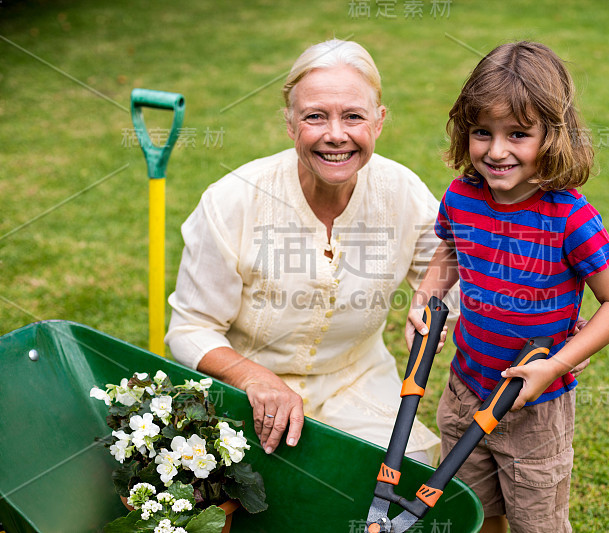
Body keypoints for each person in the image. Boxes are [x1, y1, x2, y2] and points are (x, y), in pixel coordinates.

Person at [166, 39, 455, 465]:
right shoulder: (231, 201)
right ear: (289, 124)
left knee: (403, 479)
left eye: (353, 116)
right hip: (246, 392)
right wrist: (254, 378)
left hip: (356, 382)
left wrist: (430, 302)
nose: (335, 134)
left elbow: (455, 261)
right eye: (315, 117)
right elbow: (190, 330)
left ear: (378, 122)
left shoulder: (402, 191)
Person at [406, 41, 609, 532]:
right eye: (481, 133)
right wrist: (425, 301)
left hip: (536, 407)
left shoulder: (569, 216)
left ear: (553, 135)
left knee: (538, 523)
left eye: (518, 134)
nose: (496, 151)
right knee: (475, 512)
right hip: (466, 391)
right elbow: (449, 251)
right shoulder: (462, 195)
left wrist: (556, 365)